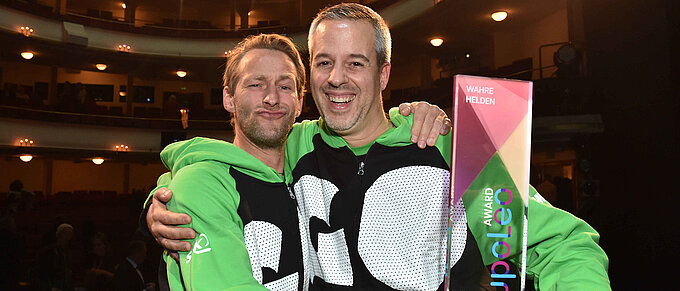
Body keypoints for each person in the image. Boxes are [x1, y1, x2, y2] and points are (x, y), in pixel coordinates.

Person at [145, 3, 610, 290]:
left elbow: (562, 244)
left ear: (384, 74)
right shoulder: (294, 144)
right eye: (324, 62)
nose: (337, 79)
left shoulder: (449, 146)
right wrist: (164, 196)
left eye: (357, 63)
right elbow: (226, 162)